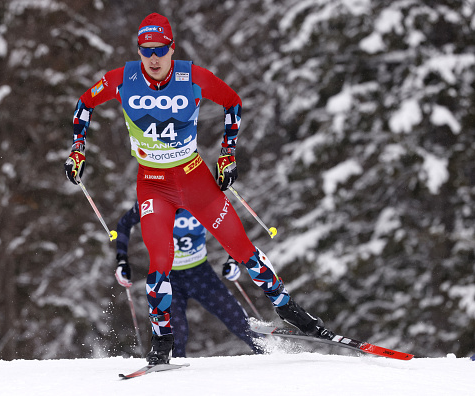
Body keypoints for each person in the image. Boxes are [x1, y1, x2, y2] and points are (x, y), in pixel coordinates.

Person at [64, 13, 335, 365]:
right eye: (147, 51)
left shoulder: (191, 76)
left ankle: (288, 309)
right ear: (139, 51)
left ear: (171, 48)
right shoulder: (123, 79)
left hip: (194, 179)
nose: (154, 58)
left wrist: (227, 156)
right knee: (159, 263)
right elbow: (84, 104)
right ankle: (162, 341)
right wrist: (77, 150)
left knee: (243, 249)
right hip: (153, 185)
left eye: (160, 49)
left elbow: (233, 102)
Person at [114, 201, 264, 357]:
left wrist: (233, 260)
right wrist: (122, 261)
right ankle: (175, 374)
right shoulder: (152, 199)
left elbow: (231, 228)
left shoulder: (200, 197)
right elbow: (124, 224)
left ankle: (270, 352)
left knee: (238, 321)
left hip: (201, 275)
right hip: (168, 276)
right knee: (175, 335)